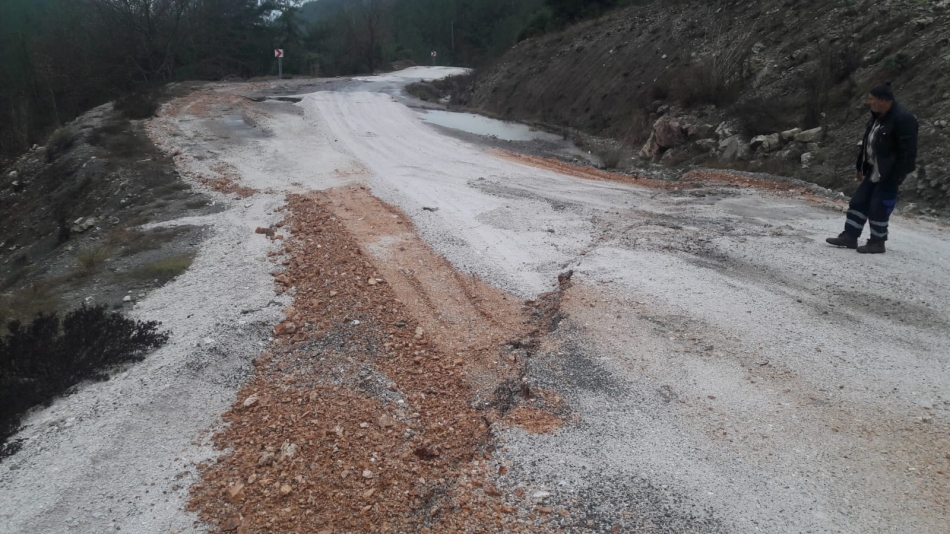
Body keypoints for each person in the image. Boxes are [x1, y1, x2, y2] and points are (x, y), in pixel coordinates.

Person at [826, 83, 918, 254]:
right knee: (858, 202)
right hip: (873, 169)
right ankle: (850, 237)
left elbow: (908, 152)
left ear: (882, 101)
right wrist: (860, 166)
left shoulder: (904, 119)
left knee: (879, 207)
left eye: (871, 99)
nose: (868, 102)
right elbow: (867, 143)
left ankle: (877, 242)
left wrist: (898, 173)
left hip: (889, 172)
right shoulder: (877, 117)